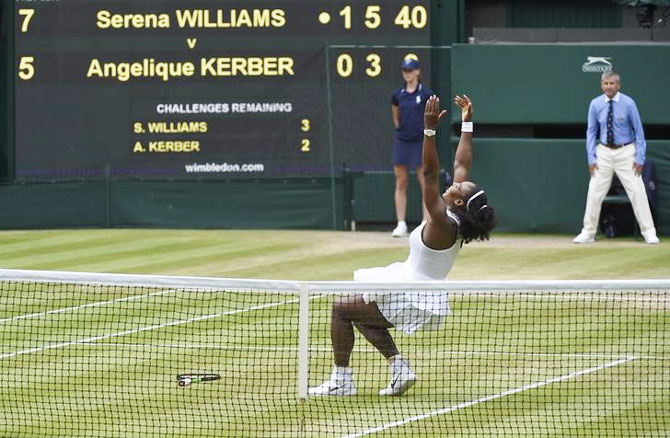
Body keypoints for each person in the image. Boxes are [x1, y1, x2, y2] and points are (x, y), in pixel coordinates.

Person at [309, 95, 497, 397]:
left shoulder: (441, 221)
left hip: (411, 293)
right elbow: (462, 161)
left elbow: (430, 173)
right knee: (359, 310)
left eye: (459, 186)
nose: (457, 181)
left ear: (459, 201)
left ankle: (342, 381)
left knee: (341, 309)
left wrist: (429, 130)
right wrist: (467, 122)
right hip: (413, 287)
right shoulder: (457, 216)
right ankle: (399, 368)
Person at [573, 70, 660, 244]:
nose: (609, 86)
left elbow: (639, 132)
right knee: (594, 191)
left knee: (637, 190)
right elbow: (590, 133)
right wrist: (591, 158)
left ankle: (649, 232)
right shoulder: (595, 104)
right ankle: (588, 232)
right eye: (605, 83)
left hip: (626, 150)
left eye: (612, 83)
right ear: (601, 85)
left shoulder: (628, 103)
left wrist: (639, 158)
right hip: (603, 152)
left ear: (618, 85)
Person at [390, 58, 433, 237]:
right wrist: (401, 129)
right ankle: (401, 224)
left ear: (417, 72)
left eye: (410, 70)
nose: (407, 73)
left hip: (420, 141)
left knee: (424, 181)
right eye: (404, 70)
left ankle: (425, 222)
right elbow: (396, 116)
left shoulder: (426, 94)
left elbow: (431, 116)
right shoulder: (397, 94)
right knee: (401, 181)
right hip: (402, 140)